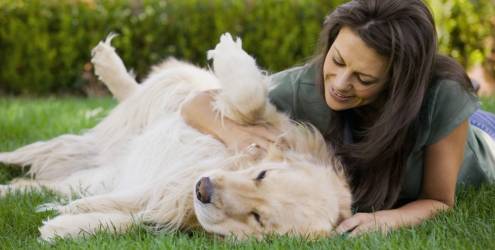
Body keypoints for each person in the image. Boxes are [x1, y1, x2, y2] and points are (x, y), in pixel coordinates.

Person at [181, 0, 495, 236]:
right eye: (338, 60)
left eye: (364, 78)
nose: (340, 84)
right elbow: (196, 104)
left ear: (397, 85)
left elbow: (439, 200)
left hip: (481, 140)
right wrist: (239, 136)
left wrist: (386, 218)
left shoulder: (442, 95)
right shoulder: (307, 86)